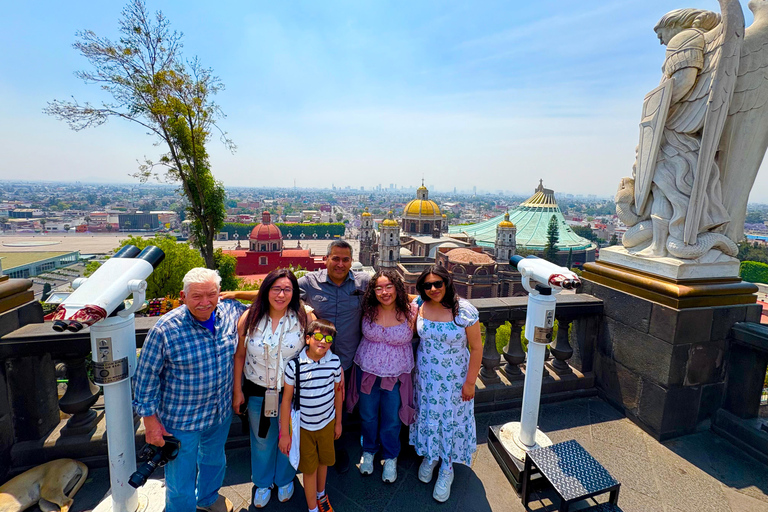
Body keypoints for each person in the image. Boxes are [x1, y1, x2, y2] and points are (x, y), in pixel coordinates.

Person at [223, 240, 370, 472]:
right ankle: (309, 452)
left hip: (345, 362)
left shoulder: (363, 282)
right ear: (326, 259)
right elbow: (276, 292)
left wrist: (423, 298)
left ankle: (334, 450)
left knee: (337, 408)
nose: (340, 264)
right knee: (311, 410)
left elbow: (389, 292)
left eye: (345, 259)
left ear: (352, 261)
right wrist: (236, 293)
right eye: (336, 258)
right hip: (311, 365)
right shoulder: (309, 283)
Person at [133, 268, 247, 512]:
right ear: (183, 296)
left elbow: (273, 296)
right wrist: (150, 423)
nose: (205, 303)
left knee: (214, 461)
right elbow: (145, 377)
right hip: (181, 419)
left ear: (220, 294)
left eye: (211, 294)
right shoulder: (165, 329)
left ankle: (207, 499)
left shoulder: (230, 311)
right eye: (196, 296)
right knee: (180, 476)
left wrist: (237, 292)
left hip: (219, 411)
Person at [232, 268, 314, 508]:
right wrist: (238, 390)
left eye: (287, 289)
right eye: (276, 288)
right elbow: (240, 356)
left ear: (294, 293)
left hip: (292, 392)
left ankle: (285, 478)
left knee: (288, 436)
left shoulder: (303, 317)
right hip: (259, 390)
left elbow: (316, 350)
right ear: (266, 290)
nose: (281, 294)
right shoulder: (250, 318)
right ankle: (263, 482)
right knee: (261, 439)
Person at [410, 265, 482, 503]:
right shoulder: (420, 305)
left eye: (437, 284)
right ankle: (431, 456)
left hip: (454, 379)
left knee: (449, 419)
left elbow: (477, 348)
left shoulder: (463, 311)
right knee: (429, 415)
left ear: (447, 283)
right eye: (427, 285)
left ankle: (447, 467)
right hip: (426, 378)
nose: (433, 289)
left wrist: (470, 383)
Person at [347, 269, 416, 483]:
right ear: (373, 291)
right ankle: (368, 450)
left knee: (392, 418)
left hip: (396, 376)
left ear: (397, 287)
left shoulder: (411, 311)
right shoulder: (367, 310)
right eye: (379, 288)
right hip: (367, 372)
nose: (384, 292)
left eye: (389, 286)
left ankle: (391, 456)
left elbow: (433, 298)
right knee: (367, 415)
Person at [279, 319, 343, 512]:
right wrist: (285, 434)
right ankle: (312, 508)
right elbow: (286, 401)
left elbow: (338, 393)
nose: (322, 341)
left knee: (324, 462)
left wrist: (338, 422)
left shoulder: (334, 362)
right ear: (307, 339)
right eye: (317, 336)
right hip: (304, 427)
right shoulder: (294, 366)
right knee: (309, 468)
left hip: (327, 423)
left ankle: (321, 495)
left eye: (328, 338)